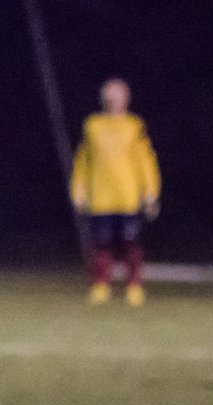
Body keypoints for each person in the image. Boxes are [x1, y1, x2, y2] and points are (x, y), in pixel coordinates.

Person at [70, 78, 161, 307]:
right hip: (101, 198)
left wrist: (150, 192)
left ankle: (134, 287)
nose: (114, 100)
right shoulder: (93, 125)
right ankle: (101, 286)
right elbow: (83, 161)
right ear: (104, 99)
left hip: (128, 197)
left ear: (126, 99)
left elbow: (145, 161)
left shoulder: (134, 125)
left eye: (118, 95)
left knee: (131, 243)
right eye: (110, 95)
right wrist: (78, 190)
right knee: (101, 244)